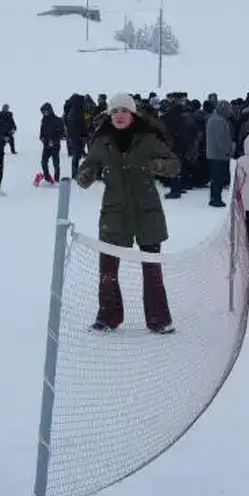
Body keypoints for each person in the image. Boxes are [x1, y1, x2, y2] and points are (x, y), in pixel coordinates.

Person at [76, 93, 180, 334]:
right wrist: (87, 175)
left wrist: (159, 166)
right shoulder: (102, 143)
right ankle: (108, 317)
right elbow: (84, 172)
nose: (119, 115)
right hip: (114, 215)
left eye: (124, 110)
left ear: (132, 114)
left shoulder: (148, 140)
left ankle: (159, 320)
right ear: (109, 115)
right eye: (115, 111)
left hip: (147, 213)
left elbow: (174, 164)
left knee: (152, 270)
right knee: (108, 271)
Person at [38, 101, 64, 184]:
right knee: (43, 162)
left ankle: (56, 180)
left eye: (46, 111)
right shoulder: (43, 120)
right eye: (43, 111)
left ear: (50, 110)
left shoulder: (58, 120)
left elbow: (62, 134)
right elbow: (42, 131)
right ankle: (47, 178)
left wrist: (53, 141)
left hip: (55, 145)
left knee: (56, 163)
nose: (44, 113)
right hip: (46, 145)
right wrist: (41, 137)